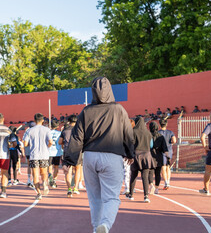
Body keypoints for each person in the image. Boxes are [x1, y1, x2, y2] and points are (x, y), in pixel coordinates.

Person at [65, 77, 134, 233]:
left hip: (89, 156)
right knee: (111, 198)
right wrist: (130, 153)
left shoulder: (86, 111)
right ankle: (105, 225)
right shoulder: (119, 110)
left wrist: (69, 160)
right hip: (112, 156)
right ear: (110, 89)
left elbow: (77, 137)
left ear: (93, 92)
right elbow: (128, 134)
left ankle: (97, 229)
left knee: (95, 199)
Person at [23, 113, 53, 200]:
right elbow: (50, 142)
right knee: (44, 172)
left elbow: (25, 143)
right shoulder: (47, 130)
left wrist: (31, 144)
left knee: (35, 175)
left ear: (34, 120)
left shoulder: (29, 130)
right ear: (43, 120)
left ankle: (39, 193)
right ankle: (44, 182)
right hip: (44, 154)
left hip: (34, 155)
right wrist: (47, 147)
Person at [127, 117, 153, 203]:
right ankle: (146, 196)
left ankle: (131, 194)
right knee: (145, 176)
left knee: (133, 175)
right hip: (146, 155)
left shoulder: (133, 131)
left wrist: (129, 155)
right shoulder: (148, 133)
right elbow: (151, 145)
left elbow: (131, 144)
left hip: (136, 155)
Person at [60, 115, 83, 197]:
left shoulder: (65, 130)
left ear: (69, 122)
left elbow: (60, 142)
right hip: (77, 151)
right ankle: (76, 188)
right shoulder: (79, 130)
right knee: (77, 169)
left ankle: (69, 188)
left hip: (67, 151)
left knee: (68, 171)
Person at [149, 121, 169, 195]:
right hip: (158, 157)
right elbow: (165, 149)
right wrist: (168, 157)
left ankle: (151, 184)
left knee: (150, 172)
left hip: (150, 156)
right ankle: (157, 188)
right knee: (158, 173)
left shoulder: (148, 136)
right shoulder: (161, 137)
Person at [159, 119, 177, 189]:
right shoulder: (170, 132)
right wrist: (170, 143)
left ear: (160, 124)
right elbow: (174, 140)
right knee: (168, 167)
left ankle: (166, 182)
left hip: (162, 151)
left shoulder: (158, 133)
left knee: (163, 167)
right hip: (169, 151)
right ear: (166, 124)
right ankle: (168, 182)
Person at [48, 120, 62, 188]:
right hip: (57, 152)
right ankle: (54, 180)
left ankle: (50, 179)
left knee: (50, 166)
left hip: (49, 152)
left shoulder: (48, 132)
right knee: (56, 167)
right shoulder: (60, 133)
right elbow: (61, 142)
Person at [23, 122, 36, 187]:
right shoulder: (36, 132)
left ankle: (29, 180)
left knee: (29, 166)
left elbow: (24, 142)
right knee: (34, 166)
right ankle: (33, 180)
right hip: (34, 151)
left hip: (28, 151)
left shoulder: (27, 132)